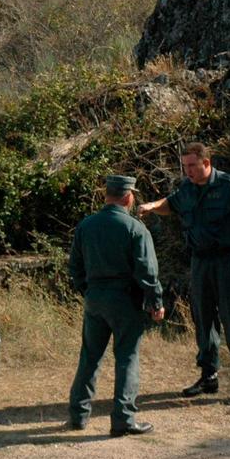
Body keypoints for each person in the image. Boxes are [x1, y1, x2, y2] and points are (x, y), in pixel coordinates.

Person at [138, 142, 230, 403]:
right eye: (184, 166)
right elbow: (171, 204)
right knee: (203, 318)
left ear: (206, 163)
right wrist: (151, 206)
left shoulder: (229, 185)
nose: (188, 171)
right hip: (200, 260)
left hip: (228, 258)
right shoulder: (188, 189)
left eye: (192, 165)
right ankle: (209, 376)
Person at [67, 175, 165, 437]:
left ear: (107, 195)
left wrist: (87, 290)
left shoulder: (86, 226)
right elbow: (147, 271)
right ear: (128, 196)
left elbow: (74, 266)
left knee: (90, 357)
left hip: (95, 298)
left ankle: (78, 415)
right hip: (125, 300)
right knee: (127, 358)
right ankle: (123, 419)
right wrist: (155, 300)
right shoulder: (134, 228)